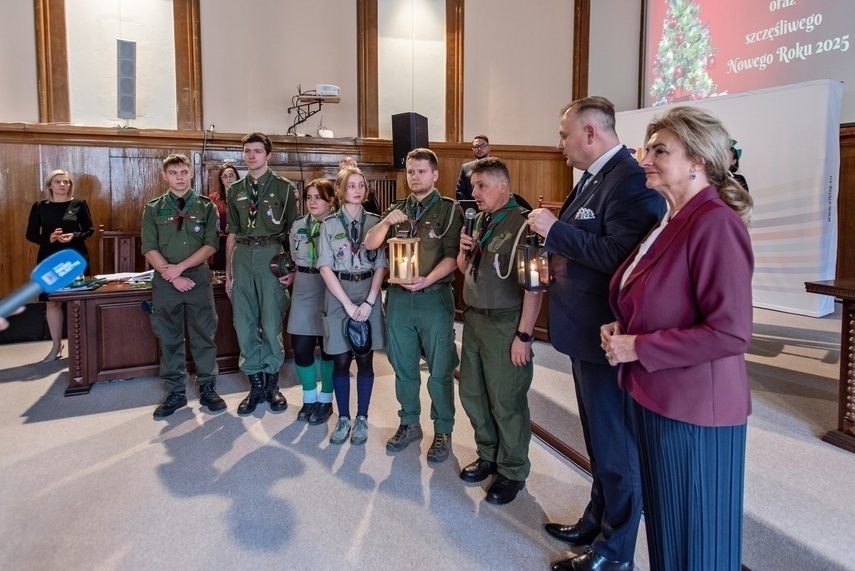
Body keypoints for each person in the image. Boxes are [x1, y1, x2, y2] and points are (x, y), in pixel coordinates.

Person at [601, 106, 754, 571]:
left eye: (659, 151)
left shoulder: (715, 223)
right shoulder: (670, 219)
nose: (645, 159)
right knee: (670, 534)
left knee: (697, 545)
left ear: (698, 161)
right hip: (657, 397)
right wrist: (621, 325)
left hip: (695, 412)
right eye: (647, 149)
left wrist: (638, 347)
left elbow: (729, 331)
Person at [527, 96, 665, 571]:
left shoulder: (630, 181)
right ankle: (596, 520)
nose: (559, 143)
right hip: (581, 330)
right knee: (598, 441)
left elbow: (622, 256)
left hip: (608, 335)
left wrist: (553, 231)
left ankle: (616, 552)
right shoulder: (593, 178)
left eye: (564, 134)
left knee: (617, 447)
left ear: (590, 132)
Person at [363, 148, 463, 463]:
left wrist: (428, 279)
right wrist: (385, 223)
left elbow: (453, 258)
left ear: (435, 175)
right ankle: (409, 422)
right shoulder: (396, 209)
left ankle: (443, 430)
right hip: (399, 301)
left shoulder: (449, 210)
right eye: (410, 171)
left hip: (434, 298)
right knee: (403, 366)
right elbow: (370, 243)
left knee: (440, 369)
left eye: (421, 171)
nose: (415, 177)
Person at [456, 157, 543, 505]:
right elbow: (468, 270)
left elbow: (534, 288)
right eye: (474, 186)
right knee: (473, 393)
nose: (474, 193)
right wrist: (463, 254)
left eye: (481, 186)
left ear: (503, 186)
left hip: (506, 324)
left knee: (507, 400)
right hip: (474, 320)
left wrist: (524, 336)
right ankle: (488, 454)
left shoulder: (526, 226)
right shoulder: (482, 221)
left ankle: (513, 470)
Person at [141, 154, 225, 419]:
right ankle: (175, 391)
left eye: (184, 172)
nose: (179, 177)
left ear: (191, 174)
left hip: (198, 278)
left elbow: (211, 244)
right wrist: (172, 274)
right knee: (169, 336)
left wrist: (181, 269)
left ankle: (207, 387)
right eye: (173, 173)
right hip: (166, 281)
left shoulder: (205, 207)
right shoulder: (153, 208)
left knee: (203, 333)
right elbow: (149, 248)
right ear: (165, 176)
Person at [225, 132, 299, 415]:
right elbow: (231, 233)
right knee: (244, 322)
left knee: (270, 322)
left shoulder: (283, 187)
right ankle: (255, 384)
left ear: (268, 155)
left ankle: (272, 384)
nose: (251, 156)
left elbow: (295, 232)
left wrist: (291, 269)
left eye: (257, 151)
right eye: (247, 151)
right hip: (243, 255)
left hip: (272, 254)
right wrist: (229, 273)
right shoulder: (235, 190)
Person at [317, 166, 387, 445]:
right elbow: (324, 266)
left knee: (366, 360)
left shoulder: (376, 222)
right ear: (341, 191)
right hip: (339, 293)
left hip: (367, 289)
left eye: (361, 185)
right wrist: (347, 304)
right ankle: (343, 417)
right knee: (341, 360)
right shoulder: (330, 224)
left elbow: (381, 263)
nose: (357, 190)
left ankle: (362, 418)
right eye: (351, 186)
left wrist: (370, 301)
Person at [26, 169, 95, 363]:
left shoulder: (79, 204)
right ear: (50, 185)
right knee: (52, 301)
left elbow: (89, 230)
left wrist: (74, 235)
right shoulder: (40, 206)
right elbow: (31, 234)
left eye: (66, 182)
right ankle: (57, 346)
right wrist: (49, 238)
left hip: (75, 257)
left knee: (78, 301)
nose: (63, 185)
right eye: (58, 182)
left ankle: (82, 348)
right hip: (49, 256)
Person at [287, 178, 336, 425]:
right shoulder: (298, 226)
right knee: (302, 347)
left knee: (329, 349)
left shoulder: (339, 224)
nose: (313, 201)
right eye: (309, 197)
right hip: (304, 288)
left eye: (319, 197)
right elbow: (295, 256)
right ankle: (309, 398)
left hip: (330, 288)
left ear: (331, 201)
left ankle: (326, 400)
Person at [209, 163, 239, 271]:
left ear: (237, 177)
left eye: (231, 175)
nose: (228, 179)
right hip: (220, 241)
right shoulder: (214, 198)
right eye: (225, 176)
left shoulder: (244, 197)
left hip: (239, 240)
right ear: (221, 180)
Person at [455, 134, 491, 200]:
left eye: (482, 146)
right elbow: (460, 191)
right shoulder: (465, 168)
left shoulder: (497, 166)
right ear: (473, 149)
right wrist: (470, 205)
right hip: (471, 207)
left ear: (488, 148)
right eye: (476, 146)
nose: (479, 149)